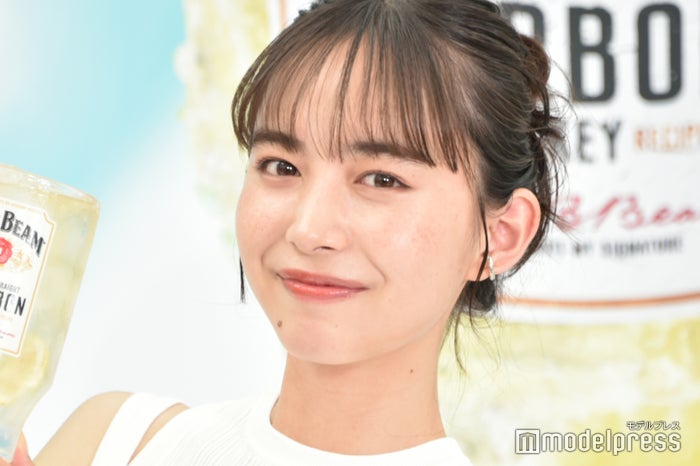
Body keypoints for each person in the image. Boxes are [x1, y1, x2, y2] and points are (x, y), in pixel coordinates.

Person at [3, 0, 563, 464]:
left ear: (502, 234)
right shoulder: (116, 443)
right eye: (282, 166)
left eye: (382, 179)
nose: (309, 229)